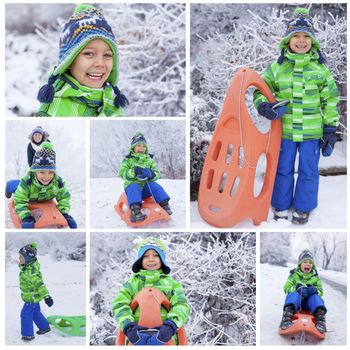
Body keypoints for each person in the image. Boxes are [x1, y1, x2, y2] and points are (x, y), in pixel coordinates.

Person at [253, 8, 339, 224]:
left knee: (309, 170)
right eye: (296, 36)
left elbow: (330, 100)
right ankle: (280, 205)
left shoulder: (320, 70)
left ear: (313, 41)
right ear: (287, 41)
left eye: (306, 36)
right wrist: (264, 106)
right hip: (285, 132)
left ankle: (303, 207)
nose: (301, 41)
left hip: (312, 133)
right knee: (282, 168)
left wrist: (330, 129)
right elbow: (258, 90)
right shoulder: (276, 68)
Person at [36, 4, 128, 117]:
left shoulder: (111, 102)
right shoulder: (54, 110)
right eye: (89, 54)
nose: (100, 63)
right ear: (69, 61)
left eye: (107, 55)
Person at [112, 237, 190, 345]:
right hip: (136, 338)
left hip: (165, 338)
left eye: (156, 255)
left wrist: (170, 326)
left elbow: (182, 305)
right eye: (146, 256)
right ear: (140, 260)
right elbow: (119, 305)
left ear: (162, 259)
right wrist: (129, 328)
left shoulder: (172, 284)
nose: (151, 259)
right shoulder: (131, 284)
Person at [6, 142, 77, 229]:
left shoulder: (58, 183)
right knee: (15, 187)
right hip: (29, 193)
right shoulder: (26, 183)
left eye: (50, 172)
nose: (46, 177)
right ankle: (8, 186)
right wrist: (26, 216)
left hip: (44, 197)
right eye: (42, 172)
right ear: (35, 171)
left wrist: (64, 213)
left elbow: (64, 197)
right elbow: (20, 200)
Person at [119, 132, 172, 223]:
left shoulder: (149, 160)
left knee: (154, 185)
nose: (141, 148)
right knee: (134, 186)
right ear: (133, 147)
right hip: (132, 187)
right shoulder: (128, 160)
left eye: (143, 146)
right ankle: (135, 211)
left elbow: (157, 173)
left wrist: (152, 174)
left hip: (145, 189)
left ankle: (164, 204)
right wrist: (134, 172)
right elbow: (122, 173)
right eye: (138, 145)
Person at [279, 249, 327, 334]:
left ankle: (321, 321)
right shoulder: (293, 276)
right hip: (296, 304)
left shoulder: (315, 278)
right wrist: (296, 288)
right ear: (300, 264)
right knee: (293, 295)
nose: (308, 264)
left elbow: (320, 291)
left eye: (310, 262)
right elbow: (286, 288)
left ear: (313, 265)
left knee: (316, 298)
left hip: (310, 304)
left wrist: (315, 290)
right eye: (305, 262)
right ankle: (286, 318)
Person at [18, 243, 54, 341]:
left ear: (28, 259)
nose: (19, 259)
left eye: (21, 257)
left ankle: (27, 334)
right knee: (35, 312)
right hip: (33, 298)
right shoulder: (28, 268)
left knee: (25, 314)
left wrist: (47, 297)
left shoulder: (30, 272)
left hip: (31, 298)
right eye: (19, 257)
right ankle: (44, 327)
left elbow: (39, 285)